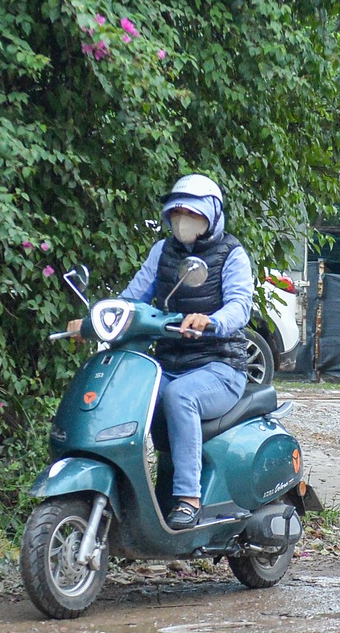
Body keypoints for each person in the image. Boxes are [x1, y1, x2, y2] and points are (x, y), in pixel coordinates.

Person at [71, 174, 253, 530]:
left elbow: (239, 306)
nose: (183, 220)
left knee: (180, 396)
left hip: (220, 365)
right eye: (178, 212)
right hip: (169, 361)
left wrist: (211, 321)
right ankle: (134, 495)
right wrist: (94, 320)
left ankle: (188, 498)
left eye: (193, 213)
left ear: (212, 215)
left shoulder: (231, 254)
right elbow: (132, 297)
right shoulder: (162, 251)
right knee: (129, 394)